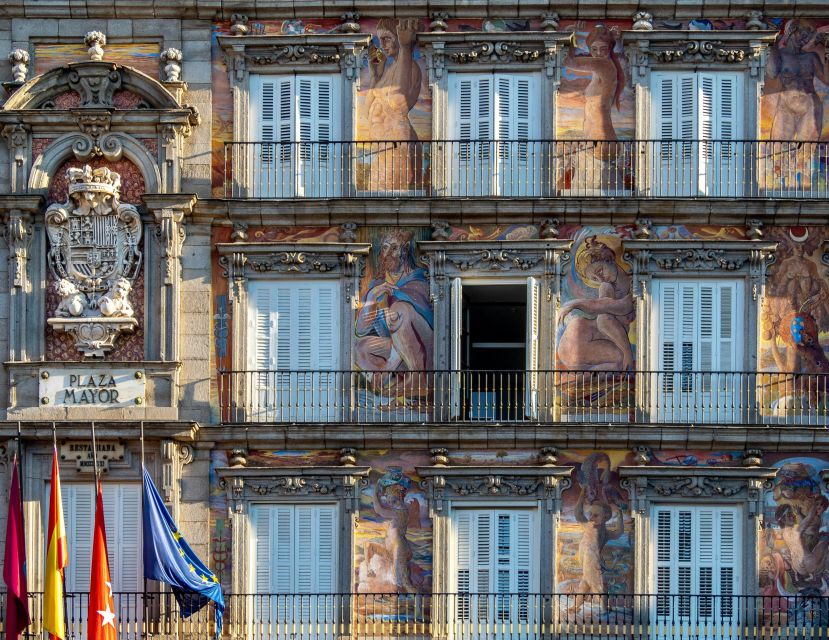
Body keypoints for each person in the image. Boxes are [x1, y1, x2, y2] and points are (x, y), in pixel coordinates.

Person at [355, 231, 433, 393]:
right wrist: (372, 295)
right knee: (359, 348)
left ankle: (418, 378)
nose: (388, 254)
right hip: (396, 350)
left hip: (424, 348)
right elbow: (361, 329)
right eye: (385, 248)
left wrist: (388, 366)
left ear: (404, 251)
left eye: (394, 248)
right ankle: (388, 384)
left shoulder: (419, 280)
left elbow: (424, 322)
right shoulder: (378, 284)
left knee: (399, 310)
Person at [764, 20, 829, 190]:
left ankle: (805, 190)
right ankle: (778, 190)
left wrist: (827, 54)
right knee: (777, 151)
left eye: (808, 35)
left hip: (810, 106)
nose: (805, 38)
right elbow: (772, 72)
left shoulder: (812, 57)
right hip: (785, 106)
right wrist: (774, 47)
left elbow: (826, 80)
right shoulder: (782, 54)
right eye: (802, 33)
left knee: (805, 154)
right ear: (791, 32)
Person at [557, 237, 634, 371]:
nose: (600, 279)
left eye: (599, 272)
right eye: (594, 278)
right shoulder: (606, 287)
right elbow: (603, 313)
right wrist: (628, 354)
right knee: (620, 359)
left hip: (588, 342)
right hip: (578, 338)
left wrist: (574, 303)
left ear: (609, 258)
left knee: (619, 361)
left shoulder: (635, 284)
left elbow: (621, 306)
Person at [364, 18, 423, 192]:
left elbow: (399, 104)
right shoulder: (388, 71)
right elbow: (367, 111)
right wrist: (375, 78)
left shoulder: (411, 67)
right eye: (379, 40)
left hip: (399, 148)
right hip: (383, 150)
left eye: (387, 38)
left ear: (399, 37)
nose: (382, 45)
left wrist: (405, 48)